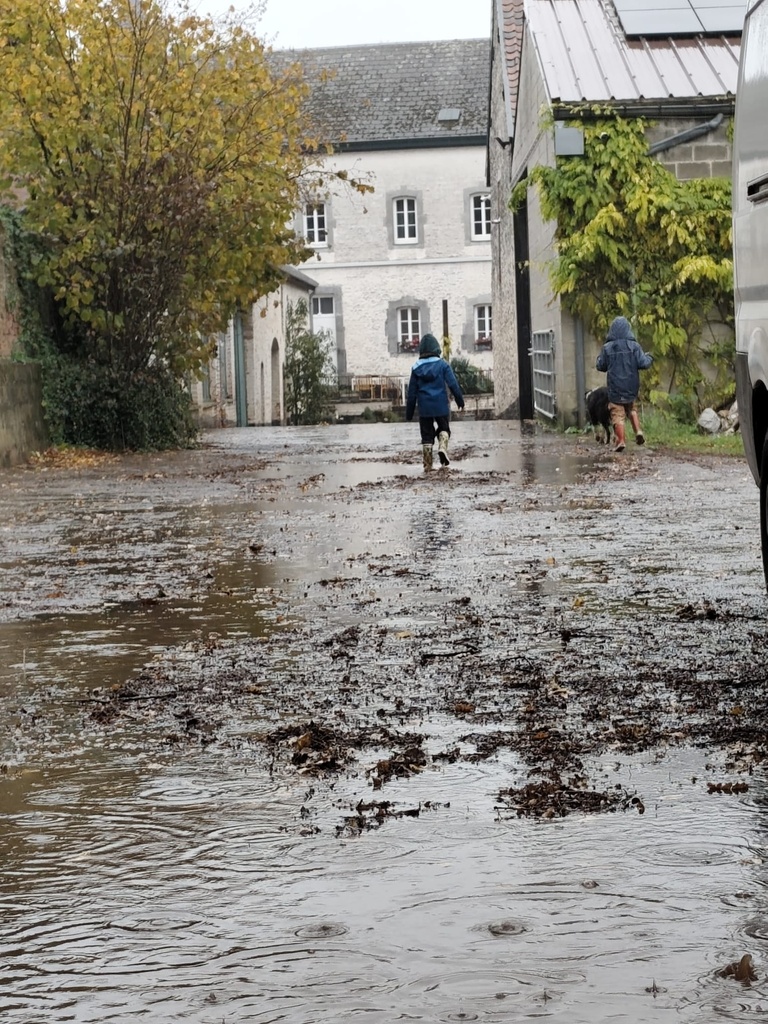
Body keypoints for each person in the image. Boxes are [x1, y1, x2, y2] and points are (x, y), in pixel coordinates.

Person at [405, 333, 465, 470]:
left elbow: (412, 394)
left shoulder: (415, 368)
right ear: (436, 349)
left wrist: (409, 414)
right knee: (444, 428)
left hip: (424, 408)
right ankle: (443, 447)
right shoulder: (443, 365)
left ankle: (427, 466)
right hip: (441, 406)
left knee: (426, 436)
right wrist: (460, 401)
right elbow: (453, 384)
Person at [596, 316, 653, 453]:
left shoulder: (607, 348)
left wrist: (601, 358)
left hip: (615, 388)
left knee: (617, 413)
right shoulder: (635, 347)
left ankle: (621, 440)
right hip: (631, 386)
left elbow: (600, 366)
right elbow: (644, 363)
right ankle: (638, 431)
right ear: (628, 330)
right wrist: (650, 357)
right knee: (631, 408)